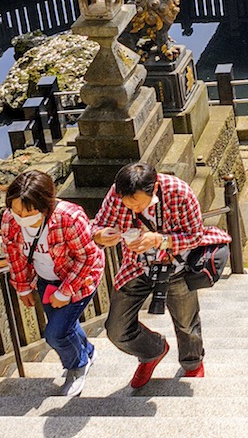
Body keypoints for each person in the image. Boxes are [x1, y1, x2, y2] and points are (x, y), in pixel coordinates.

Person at [91, 162, 230, 388]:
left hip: (176, 264)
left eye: (137, 203)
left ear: (154, 188)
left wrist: (160, 240)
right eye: (127, 203)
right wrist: (99, 236)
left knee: (186, 322)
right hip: (136, 265)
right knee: (116, 328)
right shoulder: (118, 194)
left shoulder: (180, 192)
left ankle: (193, 364)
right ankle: (152, 351)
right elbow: (98, 225)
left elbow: (195, 236)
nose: (132, 208)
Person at [1, 170, 105, 399]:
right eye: (15, 210)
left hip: (80, 278)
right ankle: (87, 351)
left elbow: (87, 257)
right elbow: (13, 253)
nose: (19, 217)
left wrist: (66, 292)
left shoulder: (69, 217)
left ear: (45, 204)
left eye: (27, 212)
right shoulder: (10, 219)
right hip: (45, 279)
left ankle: (77, 366)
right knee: (64, 325)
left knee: (56, 334)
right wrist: (23, 286)